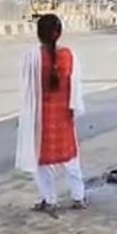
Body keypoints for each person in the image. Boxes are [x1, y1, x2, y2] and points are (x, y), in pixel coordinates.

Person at [15, 13, 86, 215]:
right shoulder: (69, 55)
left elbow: (26, 88)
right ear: (59, 33)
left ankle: (50, 199)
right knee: (71, 158)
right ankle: (78, 197)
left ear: (38, 34)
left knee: (41, 160)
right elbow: (76, 86)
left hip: (40, 117)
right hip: (63, 115)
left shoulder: (31, 57)